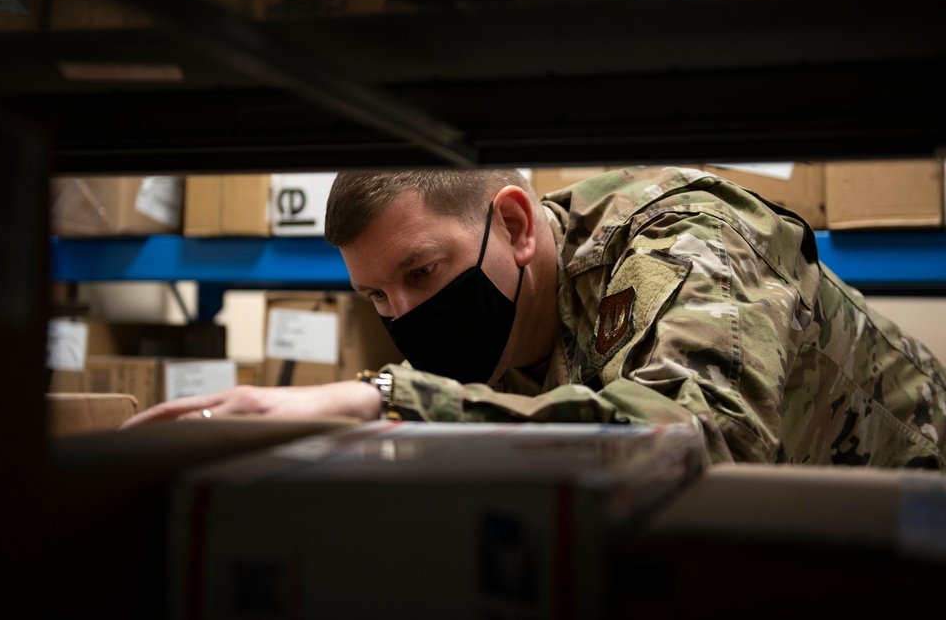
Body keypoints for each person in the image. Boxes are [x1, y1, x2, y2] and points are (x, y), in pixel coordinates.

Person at [122, 166, 946, 468]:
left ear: (515, 226)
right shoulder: (506, 327)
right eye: (378, 298)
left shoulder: (680, 236)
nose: (407, 316)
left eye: (421, 271)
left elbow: (701, 438)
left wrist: (376, 397)